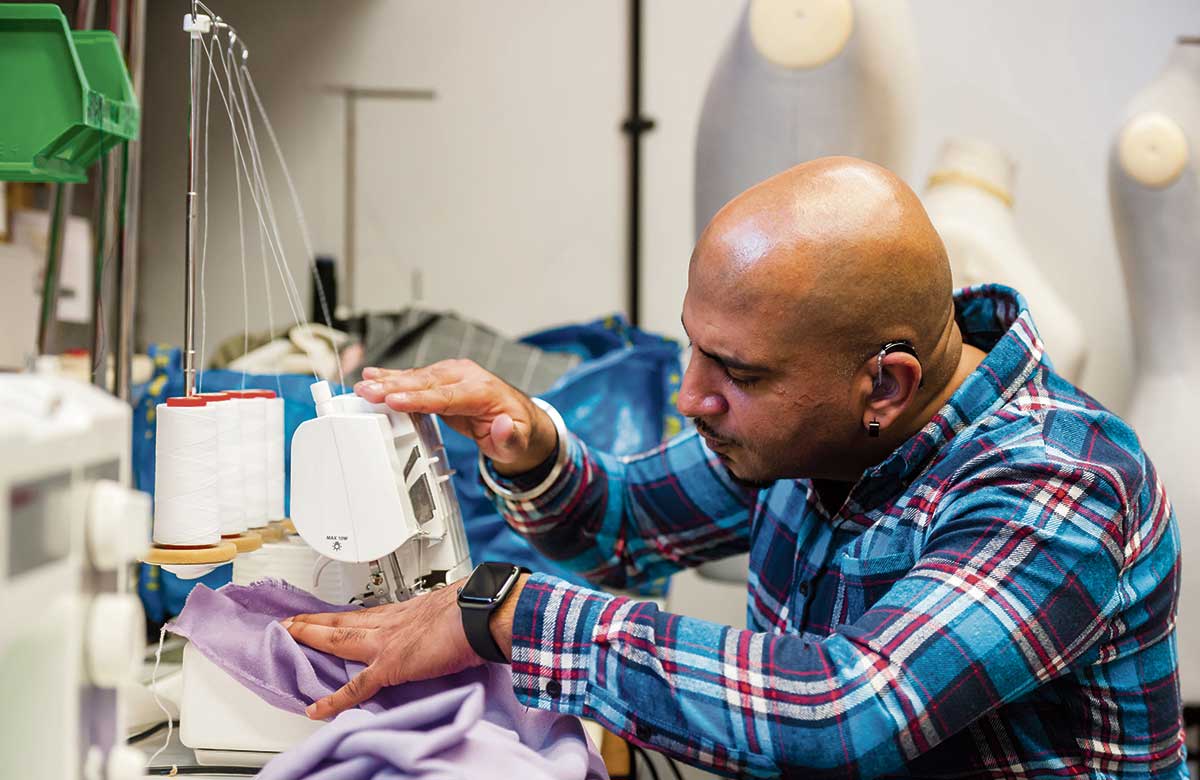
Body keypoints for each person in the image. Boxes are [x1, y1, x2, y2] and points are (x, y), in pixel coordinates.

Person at [281, 157, 1185, 777]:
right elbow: (621, 525)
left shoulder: (1061, 484)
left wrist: (515, 615)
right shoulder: (822, 431)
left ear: (886, 382)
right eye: (695, 350)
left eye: (738, 373)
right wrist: (532, 445)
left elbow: (840, 715)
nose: (691, 396)